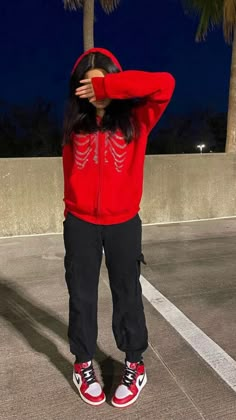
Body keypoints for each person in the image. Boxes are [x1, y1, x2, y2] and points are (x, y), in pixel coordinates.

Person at [62, 47, 175, 408]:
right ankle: (82, 363)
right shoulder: (73, 124)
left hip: (124, 222)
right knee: (81, 297)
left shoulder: (138, 120)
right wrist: (71, 210)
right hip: (80, 222)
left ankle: (134, 364)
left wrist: (111, 86)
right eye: (90, 86)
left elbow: (165, 84)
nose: (96, 93)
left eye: (102, 86)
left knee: (127, 293)